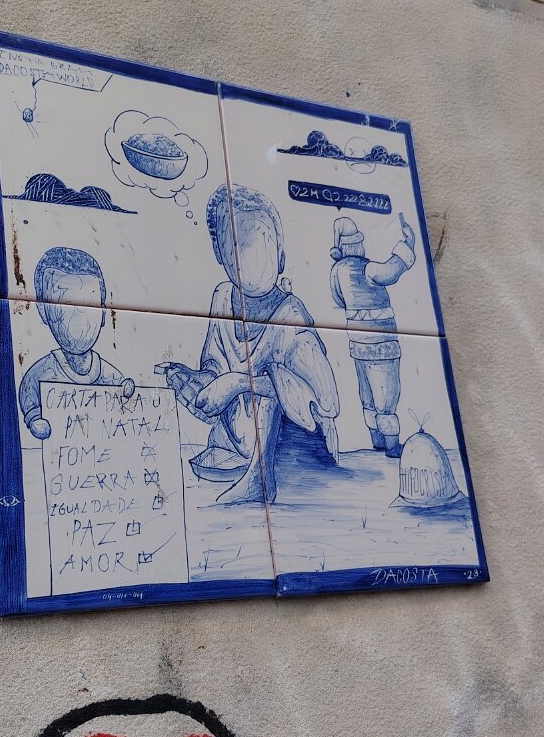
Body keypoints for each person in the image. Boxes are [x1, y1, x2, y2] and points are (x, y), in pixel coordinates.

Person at [162, 184, 339, 504]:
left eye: (264, 244)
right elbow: (215, 365)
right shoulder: (221, 298)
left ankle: (259, 481)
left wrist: (239, 383)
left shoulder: (290, 316)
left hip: (293, 455)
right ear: (220, 253)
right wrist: (197, 381)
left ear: (281, 253)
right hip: (235, 447)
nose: (253, 258)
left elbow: (326, 400)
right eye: (239, 245)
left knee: (273, 374)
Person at [18, 247, 134, 439]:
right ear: (43, 311)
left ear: (103, 313)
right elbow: (29, 390)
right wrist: (35, 418)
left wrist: (124, 388)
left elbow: (119, 387)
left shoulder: (102, 369)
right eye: (66, 306)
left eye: (89, 305)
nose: (79, 316)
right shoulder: (45, 370)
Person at [329, 212, 416, 457]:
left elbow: (338, 300)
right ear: (357, 244)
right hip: (381, 342)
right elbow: (391, 271)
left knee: (367, 395)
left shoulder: (337, 271)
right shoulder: (366, 268)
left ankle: (377, 441)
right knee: (386, 395)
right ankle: (392, 446)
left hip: (357, 342)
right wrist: (407, 244)